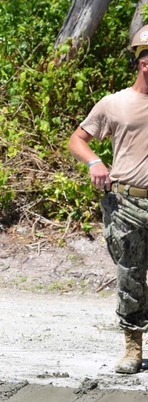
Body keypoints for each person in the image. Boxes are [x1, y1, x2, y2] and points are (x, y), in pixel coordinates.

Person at [68, 24, 148, 374]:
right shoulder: (115, 103)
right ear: (141, 62)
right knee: (130, 275)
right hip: (127, 204)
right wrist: (95, 161)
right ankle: (133, 346)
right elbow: (77, 140)